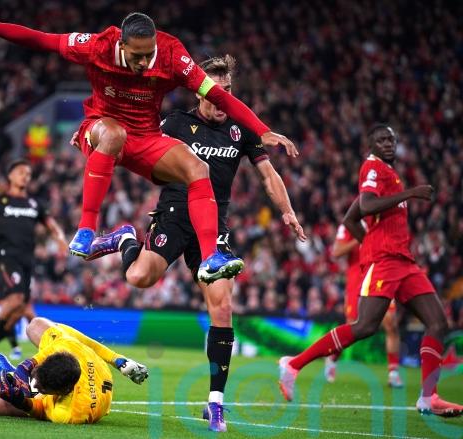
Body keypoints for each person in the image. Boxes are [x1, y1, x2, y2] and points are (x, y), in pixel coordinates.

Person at [0, 10, 299, 285]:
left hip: (146, 138)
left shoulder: (172, 55)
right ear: (122, 46)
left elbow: (218, 95)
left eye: (149, 54)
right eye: (137, 56)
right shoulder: (97, 46)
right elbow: (40, 39)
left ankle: (210, 258)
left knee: (197, 168)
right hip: (102, 129)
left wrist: (262, 130)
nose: (144, 63)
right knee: (113, 134)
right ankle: (86, 229)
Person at [83, 55, 306, 432]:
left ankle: (215, 402)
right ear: (200, 92)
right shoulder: (174, 123)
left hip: (213, 227)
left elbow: (268, 175)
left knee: (223, 306)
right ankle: (125, 239)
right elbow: (137, 148)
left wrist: (287, 211)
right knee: (139, 278)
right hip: (174, 214)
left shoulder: (241, 128)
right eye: (215, 91)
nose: (221, 99)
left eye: (228, 91)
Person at [278, 124, 463, 417]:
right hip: (385, 261)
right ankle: (293, 364)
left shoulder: (388, 173)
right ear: (372, 145)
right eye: (381, 140)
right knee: (365, 326)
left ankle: (429, 397)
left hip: (404, 261)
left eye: (391, 139)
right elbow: (365, 205)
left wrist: (369, 242)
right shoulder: (372, 167)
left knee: (438, 323)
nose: (387, 143)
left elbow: (350, 217)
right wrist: (410, 194)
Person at [0, 159, 68, 367]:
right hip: (6, 257)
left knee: (21, 309)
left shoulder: (35, 204)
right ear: (10, 176)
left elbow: (50, 224)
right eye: (21, 172)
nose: (25, 176)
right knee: (15, 300)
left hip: (26, 260)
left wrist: (60, 238)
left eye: (28, 174)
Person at [0, 317, 148, 424]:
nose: (38, 386)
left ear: (61, 393)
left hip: (91, 399)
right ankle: (15, 377)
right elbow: (87, 342)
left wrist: (20, 401)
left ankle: (10, 377)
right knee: (35, 325)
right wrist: (118, 360)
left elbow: (39, 409)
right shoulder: (67, 347)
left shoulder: (68, 413)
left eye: (41, 388)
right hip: (99, 371)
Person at [324, 219, 403, 387]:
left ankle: (393, 373)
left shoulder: (385, 219)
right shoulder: (351, 223)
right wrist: (361, 237)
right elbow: (336, 252)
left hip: (380, 276)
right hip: (357, 279)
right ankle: (332, 357)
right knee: (352, 325)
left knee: (391, 322)